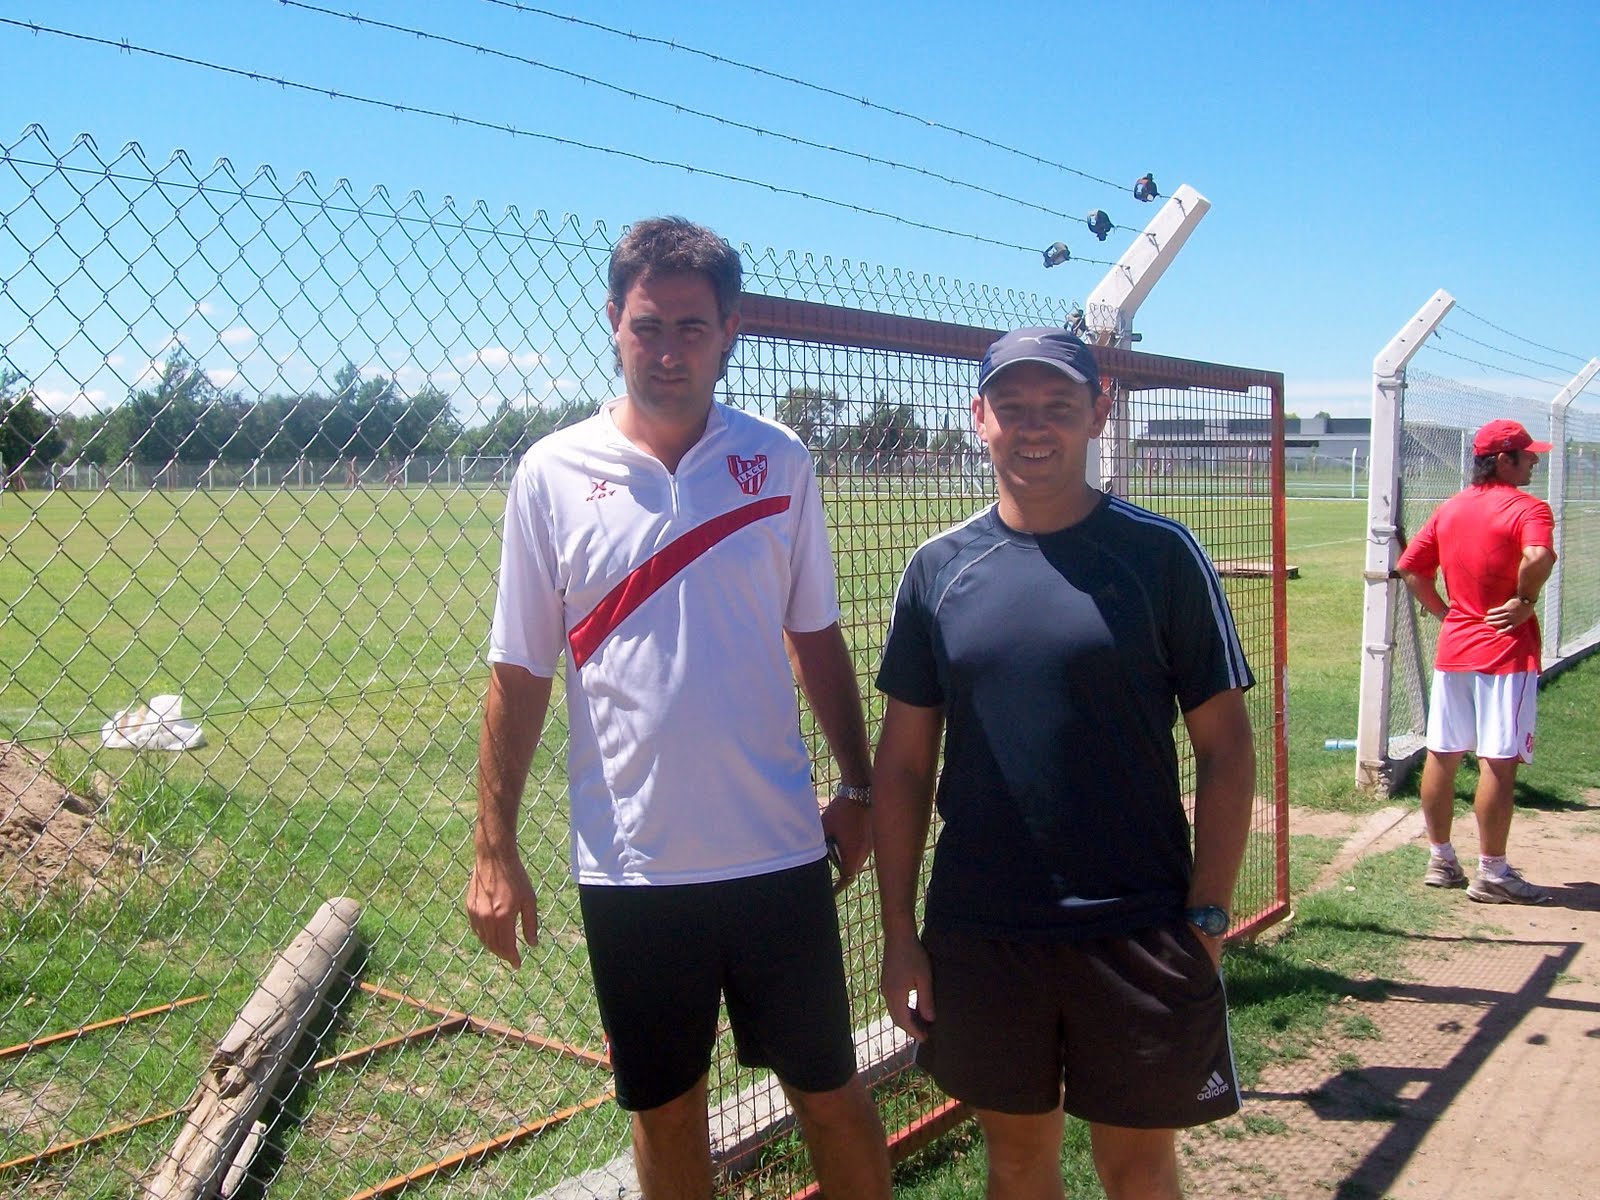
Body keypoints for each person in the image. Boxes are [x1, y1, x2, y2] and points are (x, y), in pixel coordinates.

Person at [467, 216, 891, 1200]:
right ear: (613, 322)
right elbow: (518, 673)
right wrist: (494, 848)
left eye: (691, 329)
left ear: (729, 331)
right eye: (647, 326)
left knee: (828, 1094)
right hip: (632, 869)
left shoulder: (777, 461)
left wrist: (859, 784)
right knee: (665, 1114)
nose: (667, 351)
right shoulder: (551, 475)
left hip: (777, 855)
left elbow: (814, 635)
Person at [872, 327, 1257, 1200]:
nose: (1033, 427)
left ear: (1100, 412)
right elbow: (901, 767)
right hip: (985, 928)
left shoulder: (1161, 557)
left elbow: (1226, 748)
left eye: (1059, 406)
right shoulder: (938, 572)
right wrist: (901, 934)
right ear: (980, 418)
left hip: (1140, 923)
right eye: (1012, 408)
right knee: (1015, 1161)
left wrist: (1207, 911)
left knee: (1138, 1166)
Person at [1396, 417, 1557, 904]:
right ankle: (1493, 871)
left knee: (1443, 753)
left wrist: (1448, 614)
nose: (1533, 460)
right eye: (1527, 454)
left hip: (1457, 648)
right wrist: (1525, 599)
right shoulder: (1528, 507)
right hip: (1505, 651)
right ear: (1504, 460)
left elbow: (1411, 571)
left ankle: (1441, 859)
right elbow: (1537, 557)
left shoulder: (1451, 509)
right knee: (1498, 760)